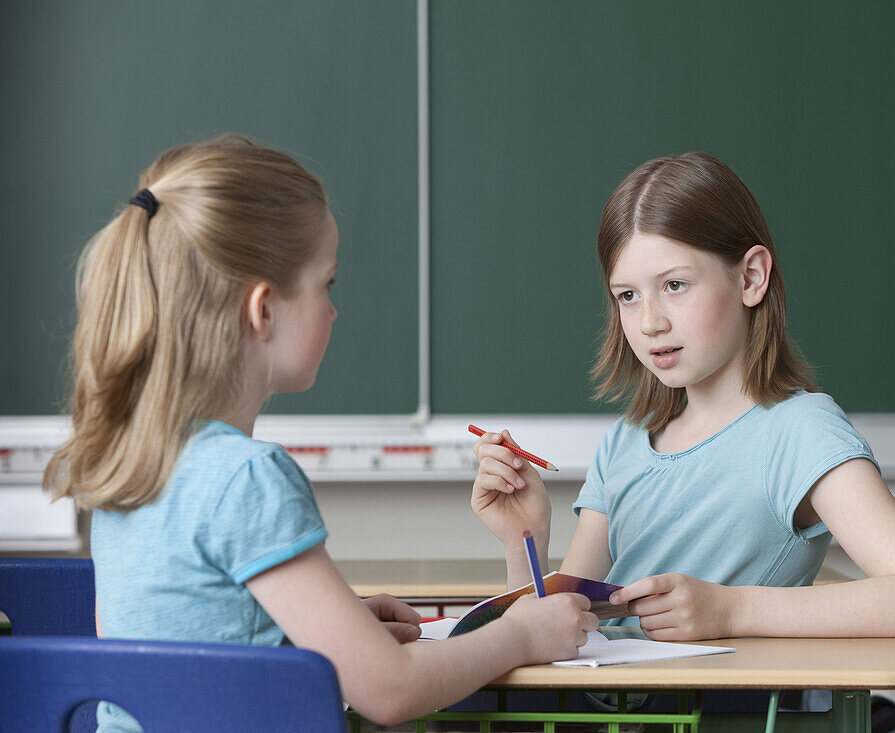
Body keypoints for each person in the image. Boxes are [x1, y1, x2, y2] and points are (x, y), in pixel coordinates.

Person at [44, 135, 596, 731]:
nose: (333, 309)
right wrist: (518, 636)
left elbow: (180, 643)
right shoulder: (246, 477)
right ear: (263, 310)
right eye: (325, 284)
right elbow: (390, 690)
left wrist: (328, 626)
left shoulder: (133, 466)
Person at [472, 152, 895, 645]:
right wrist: (525, 545)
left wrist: (731, 609)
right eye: (628, 296)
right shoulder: (624, 442)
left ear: (751, 277)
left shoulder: (800, 431)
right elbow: (557, 632)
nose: (649, 322)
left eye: (675, 285)